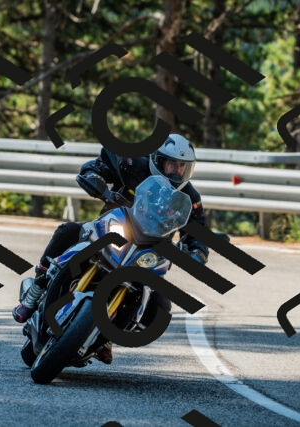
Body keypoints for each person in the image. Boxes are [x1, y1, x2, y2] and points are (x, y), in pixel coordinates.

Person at [12, 134, 210, 363]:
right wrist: (94, 176)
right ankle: (37, 288)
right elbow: (102, 164)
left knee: (160, 305)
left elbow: (198, 229)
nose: (177, 171)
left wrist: (197, 252)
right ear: (157, 159)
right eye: (172, 164)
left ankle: (105, 337)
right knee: (67, 231)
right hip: (112, 228)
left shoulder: (189, 196)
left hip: (150, 249)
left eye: (183, 166)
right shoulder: (133, 164)